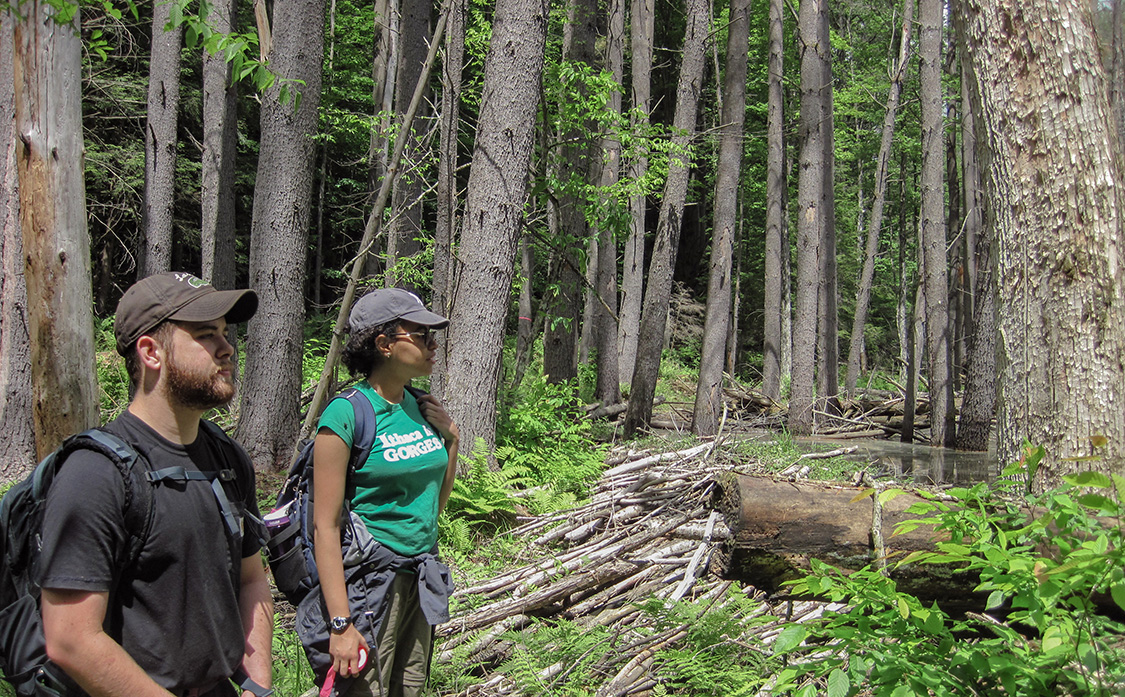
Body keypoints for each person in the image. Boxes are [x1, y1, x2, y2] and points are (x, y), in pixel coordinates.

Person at [39, 271, 274, 697]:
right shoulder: (95, 474)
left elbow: (251, 581)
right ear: (151, 352)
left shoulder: (228, 458)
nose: (227, 348)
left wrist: (257, 687)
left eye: (224, 333)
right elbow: (70, 638)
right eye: (206, 335)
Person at [306, 288, 458, 697]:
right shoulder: (346, 413)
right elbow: (325, 527)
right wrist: (341, 624)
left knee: (409, 688)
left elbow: (433, 506)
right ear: (384, 344)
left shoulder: (421, 405)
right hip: (370, 582)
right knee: (365, 690)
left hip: (420, 575)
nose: (433, 344)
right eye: (421, 335)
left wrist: (452, 440)